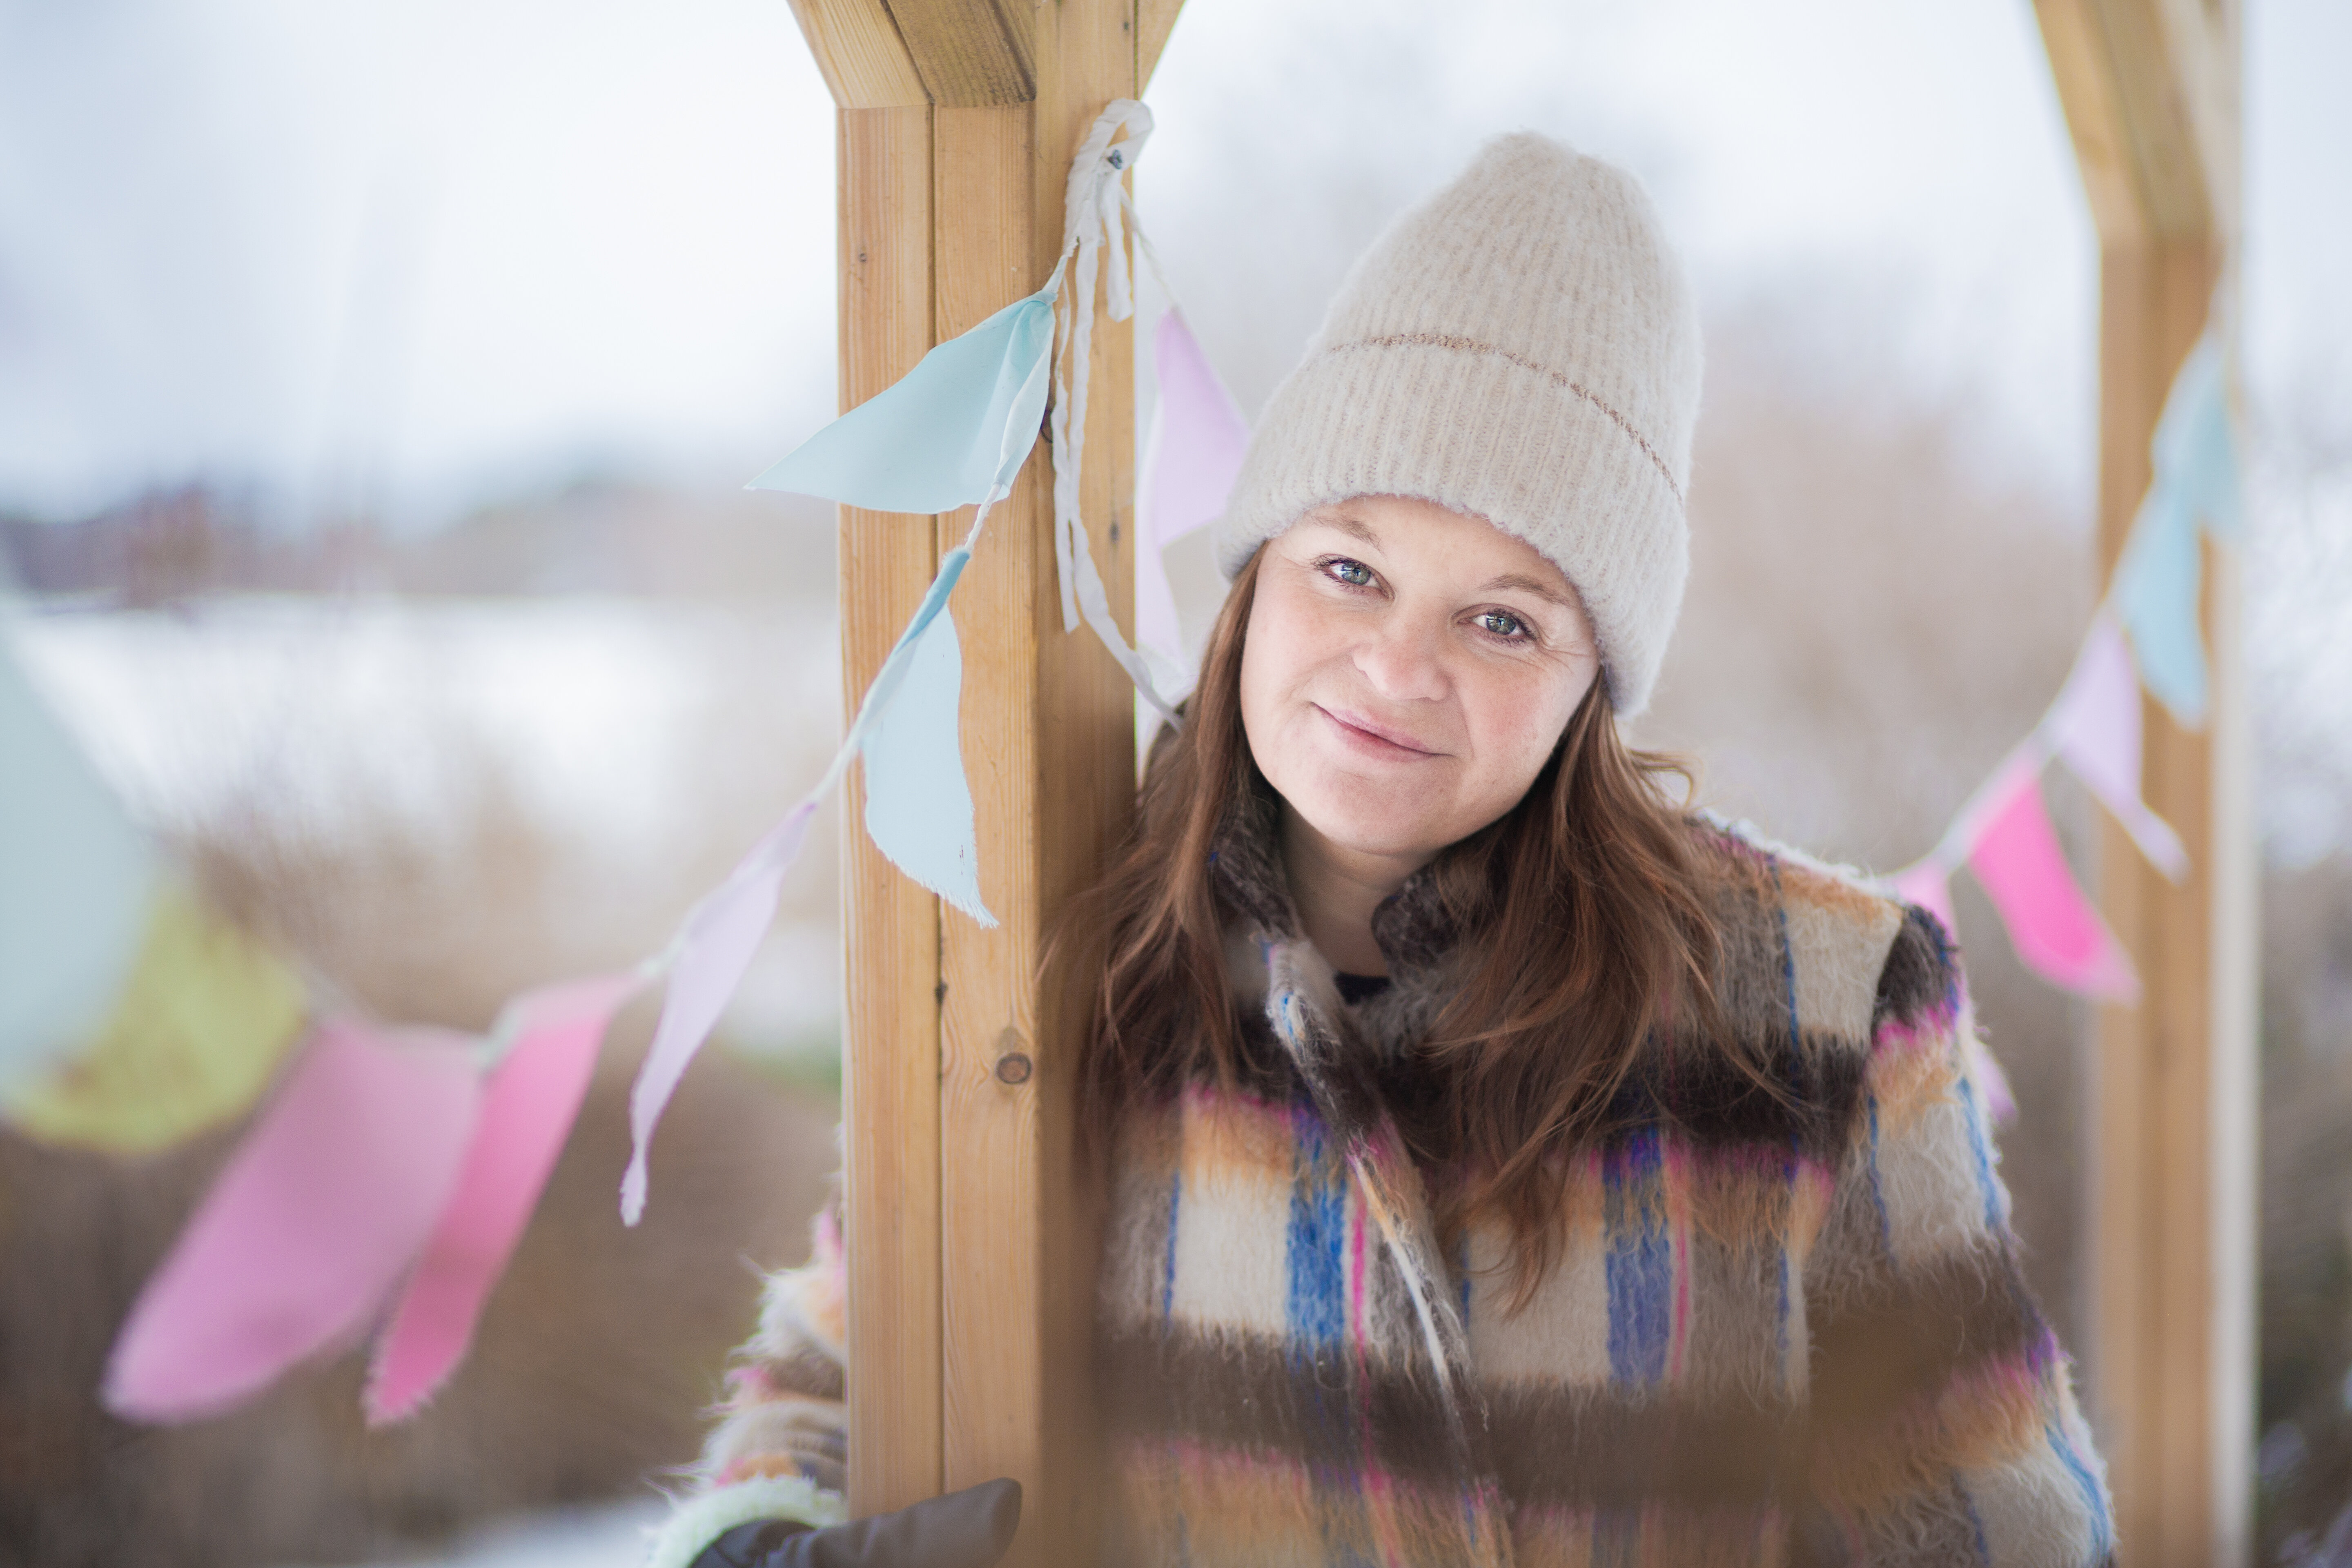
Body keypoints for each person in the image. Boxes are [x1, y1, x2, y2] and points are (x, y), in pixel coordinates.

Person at [650, 133, 2115, 1568]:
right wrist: (763, 1551)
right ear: (1254, 582)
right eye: (1350, 570)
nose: (1398, 669)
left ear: (1591, 679)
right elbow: (820, 1397)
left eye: (1504, 619)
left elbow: (1988, 1514)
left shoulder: (1821, 1005)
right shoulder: (1052, 949)